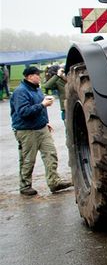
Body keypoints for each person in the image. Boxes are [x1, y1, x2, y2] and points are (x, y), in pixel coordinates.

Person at [10, 66, 73, 197]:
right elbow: (23, 112)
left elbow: (40, 109)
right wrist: (42, 105)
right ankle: (25, 186)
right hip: (26, 130)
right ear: (29, 76)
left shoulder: (37, 89)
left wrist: (45, 121)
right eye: (37, 74)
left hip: (41, 128)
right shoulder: (20, 92)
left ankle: (54, 182)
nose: (39, 76)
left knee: (51, 154)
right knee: (28, 160)